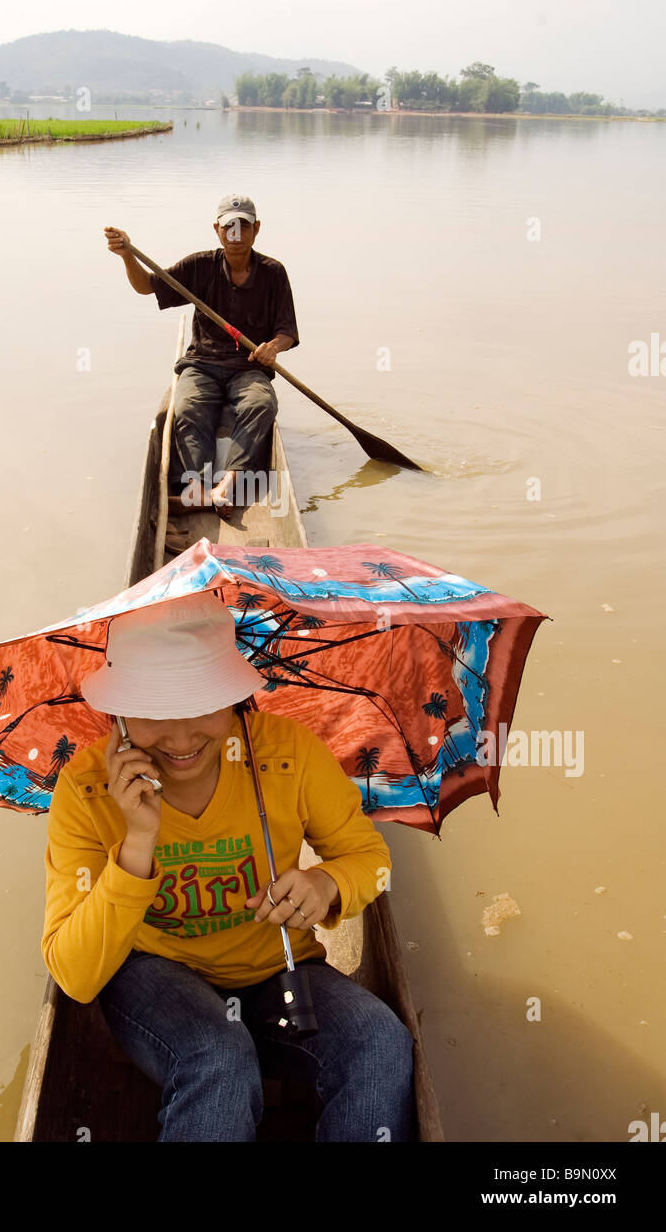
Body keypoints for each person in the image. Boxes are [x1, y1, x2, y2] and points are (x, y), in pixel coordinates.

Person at [41, 590, 416, 1142]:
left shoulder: (286, 753)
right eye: (153, 713)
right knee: (216, 1054)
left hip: (278, 971)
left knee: (379, 1043)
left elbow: (370, 859)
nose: (181, 737)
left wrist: (326, 883)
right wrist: (137, 841)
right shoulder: (86, 787)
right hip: (154, 976)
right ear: (116, 714)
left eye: (203, 705)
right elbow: (73, 975)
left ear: (237, 697)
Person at [104, 195, 299, 516]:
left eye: (243, 226)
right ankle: (196, 488)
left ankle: (224, 488)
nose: (235, 234)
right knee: (187, 407)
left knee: (261, 405)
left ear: (256, 229)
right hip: (202, 364)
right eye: (229, 227)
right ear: (217, 230)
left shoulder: (273, 273)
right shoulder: (200, 265)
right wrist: (127, 255)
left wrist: (272, 347)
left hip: (248, 368)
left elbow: (287, 331)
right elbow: (146, 286)